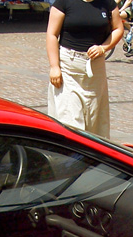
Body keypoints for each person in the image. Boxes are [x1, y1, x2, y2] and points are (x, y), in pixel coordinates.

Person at [46, 0, 123, 137]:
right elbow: (52, 34)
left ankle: (90, 156)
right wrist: (54, 66)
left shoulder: (107, 3)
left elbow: (118, 29)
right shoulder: (64, 2)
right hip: (69, 67)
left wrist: (103, 47)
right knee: (70, 122)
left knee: (95, 124)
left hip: (95, 68)